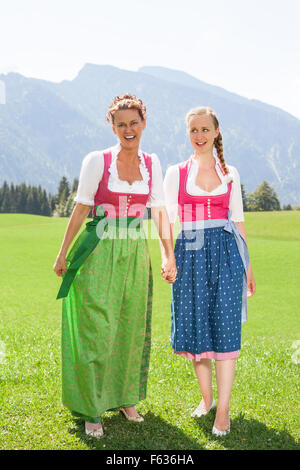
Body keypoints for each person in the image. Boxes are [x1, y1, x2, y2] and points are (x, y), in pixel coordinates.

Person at [53, 93, 177, 439]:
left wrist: (169, 254)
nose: (128, 129)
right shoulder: (97, 160)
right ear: (112, 126)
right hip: (98, 251)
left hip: (136, 253)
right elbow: (80, 209)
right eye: (121, 124)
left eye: (133, 122)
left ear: (144, 124)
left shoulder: (152, 164)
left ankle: (124, 398)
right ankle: (91, 406)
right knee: (96, 329)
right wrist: (62, 253)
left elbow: (159, 214)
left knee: (129, 326)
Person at [162, 106, 256, 436]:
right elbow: (166, 220)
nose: (199, 136)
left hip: (228, 254)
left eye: (205, 129)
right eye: (193, 130)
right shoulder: (176, 173)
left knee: (226, 330)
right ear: (187, 134)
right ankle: (207, 399)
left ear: (216, 132)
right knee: (197, 328)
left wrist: (249, 267)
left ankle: (224, 411)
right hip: (189, 252)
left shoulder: (231, 173)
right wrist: (167, 257)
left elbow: (239, 220)